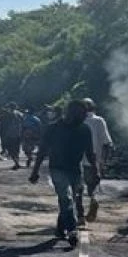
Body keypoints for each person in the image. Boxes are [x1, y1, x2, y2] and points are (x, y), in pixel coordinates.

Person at [29, 100, 97, 246]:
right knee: (66, 198)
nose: (84, 117)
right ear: (71, 113)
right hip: (57, 169)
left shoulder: (85, 129)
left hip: (76, 170)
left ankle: (61, 228)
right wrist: (35, 171)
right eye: (81, 114)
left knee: (70, 200)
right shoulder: (53, 128)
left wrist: (95, 170)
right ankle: (72, 230)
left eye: (85, 114)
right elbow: (42, 151)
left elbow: (90, 153)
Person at [79, 98, 115, 222]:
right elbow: (107, 143)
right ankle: (93, 201)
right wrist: (103, 161)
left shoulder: (76, 120)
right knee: (91, 187)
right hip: (94, 161)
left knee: (77, 188)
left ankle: (80, 215)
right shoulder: (99, 121)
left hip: (78, 159)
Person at [0, 103, 25, 169]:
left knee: (11, 150)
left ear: (10, 108)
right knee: (16, 150)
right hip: (18, 134)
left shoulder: (7, 115)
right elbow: (23, 122)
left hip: (10, 135)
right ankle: (17, 163)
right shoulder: (20, 114)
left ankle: (16, 163)